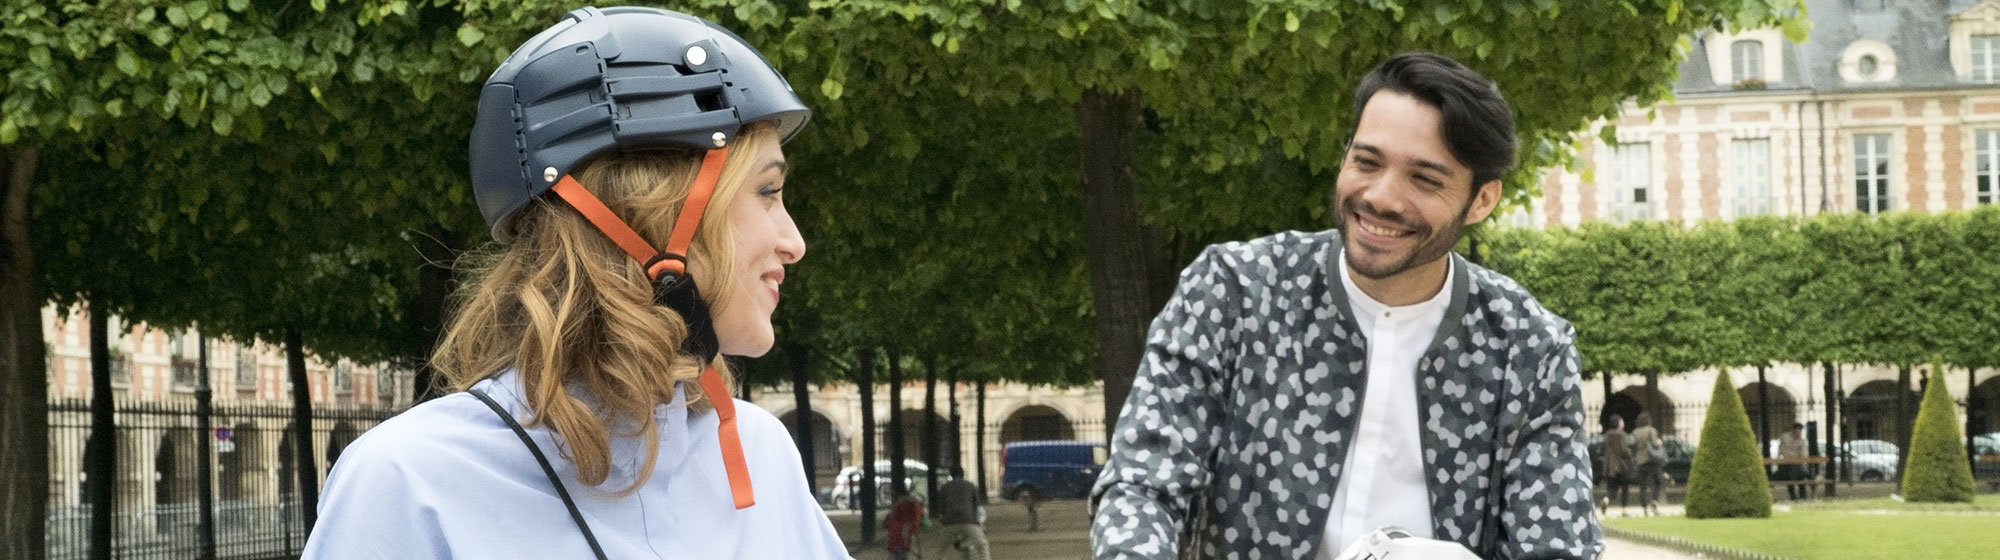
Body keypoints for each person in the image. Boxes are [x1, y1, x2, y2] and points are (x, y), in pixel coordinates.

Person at [302, 7, 845, 559]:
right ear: (647, 212)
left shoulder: (762, 456)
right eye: (767, 191)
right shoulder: (409, 484)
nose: (794, 242)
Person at [1090, 52, 1602, 560]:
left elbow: (1559, 548)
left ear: (1483, 200)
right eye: (1367, 161)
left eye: (1424, 179)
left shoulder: (1530, 349)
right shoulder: (1235, 292)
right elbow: (1142, 485)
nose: (1382, 196)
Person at [932, 466, 992, 560]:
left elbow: (942, 508)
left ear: (951, 475)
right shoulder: (970, 485)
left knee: (942, 548)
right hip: (969, 521)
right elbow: (977, 505)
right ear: (963, 474)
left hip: (949, 523)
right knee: (982, 545)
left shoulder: (945, 487)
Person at [1630, 413, 1664, 516]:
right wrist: (1659, 442)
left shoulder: (1635, 432)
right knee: (1658, 481)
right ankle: (1654, 501)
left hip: (1640, 460)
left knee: (1643, 485)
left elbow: (1633, 445)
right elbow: (1654, 444)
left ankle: (1644, 508)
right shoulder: (1652, 430)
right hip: (1652, 459)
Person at [886, 486, 926, 560]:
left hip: (901, 538)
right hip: (908, 534)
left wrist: (904, 541)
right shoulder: (914, 502)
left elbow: (906, 524)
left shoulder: (904, 504)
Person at [1602, 415, 1632, 511]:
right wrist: (1630, 455)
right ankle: (1624, 509)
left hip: (1610, 465)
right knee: (1624, 488)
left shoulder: (1607, 435)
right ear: (1618, 423)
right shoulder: (1622, 435)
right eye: (1621, 421)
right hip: (1621, 466)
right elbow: (1624, 451)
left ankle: (1606, 499)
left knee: (1612, 488)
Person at [1777, 422, 1809, 501]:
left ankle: (1801, 496)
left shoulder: (1802, 440)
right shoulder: (1785, 437)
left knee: (1799, 473)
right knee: (1796, 474)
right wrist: (1793, 456)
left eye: (1800, 431)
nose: (1798, 432)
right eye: (1797, 430)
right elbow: (1782, 451)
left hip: (1796, 465)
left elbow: (1804, 454)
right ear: (1793, 430)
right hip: (1786, 465)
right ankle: (1796, 496)